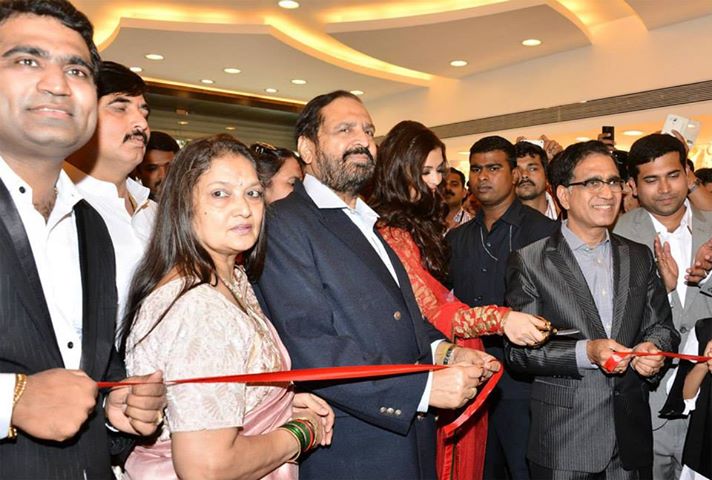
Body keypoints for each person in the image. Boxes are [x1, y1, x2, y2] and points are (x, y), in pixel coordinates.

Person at [256, 90, 496, 480]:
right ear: (307, 148)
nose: (362, 140)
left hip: (409, 439)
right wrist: (420, 390)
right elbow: (309, 342)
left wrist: (447, 352)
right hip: (354, 447)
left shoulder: (366, 221)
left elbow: (403, 317)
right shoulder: (285, 223)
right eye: (345, 129)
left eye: (368, 131)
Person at [0, 1, 165, 477]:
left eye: (76, 70)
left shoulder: (90, 224)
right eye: (27, 60)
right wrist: (10, 399)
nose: (56, 83)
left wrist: (113, 404)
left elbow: (84, 368)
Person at [122, 134, 334, 479]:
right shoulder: (198, 307)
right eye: (220, 194)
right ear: (183, 204)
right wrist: (300, 432)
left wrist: (277, 404)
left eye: (253, 193)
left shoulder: (232, 278)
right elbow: (207, 467)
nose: (244, 208)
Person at [370, 120, 549, 480]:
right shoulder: (392, 231)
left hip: (505, 376)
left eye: (439, 170)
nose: (436, 181)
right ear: (399, 170)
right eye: (425, 171)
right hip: (429, 369)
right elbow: (433, 309)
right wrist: (500, 319)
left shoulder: (423, 224)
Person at [505, 140, 680, 478]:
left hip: (631, 439)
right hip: (564, 441)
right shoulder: (530, 261)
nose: (607, 192)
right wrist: (587, 352)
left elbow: (662, 327)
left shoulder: (638, 255)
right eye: (592, 182)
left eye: (613, 181)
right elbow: (519, 353)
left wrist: (653, 350)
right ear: (564, 195)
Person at [448, 135, 557, 480]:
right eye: (476, 169)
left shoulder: (546, 233)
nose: (483, 177)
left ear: (514, 174)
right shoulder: (456, 238)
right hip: (470, 380)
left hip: (526, 383)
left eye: (493, 168)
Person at [613, 132, 712, 479]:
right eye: (651, 180)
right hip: (646, 404)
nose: (665, 188)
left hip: (708, 404)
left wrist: (708, 279)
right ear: (633, 185)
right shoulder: (615, 236)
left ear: (688, 173)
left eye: (673, 175)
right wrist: (663, 293)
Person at [66, 61, 156, 338]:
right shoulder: (56, 206)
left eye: (143, 111)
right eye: (120, 108)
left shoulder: (156, 212)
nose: (141, 124)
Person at [514, 141, 559, 219]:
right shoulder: (496, 221)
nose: (524, 175)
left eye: (532, 169)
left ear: (546, 176)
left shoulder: (568, 212)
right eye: (518, 170)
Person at [134, 131, 179, 201]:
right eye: (152, 169)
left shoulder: (192, 201)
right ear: (137, 172)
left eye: (170, 167)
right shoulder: (128, 204)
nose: (163, 176)